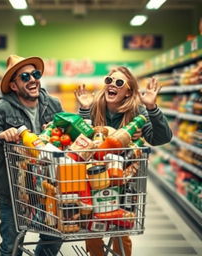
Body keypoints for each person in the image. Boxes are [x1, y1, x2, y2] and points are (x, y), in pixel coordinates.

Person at [74, 66, 172, 256]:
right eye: (109, 81)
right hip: (95, 179)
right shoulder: (94, 107)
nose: (112, 85)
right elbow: (79, 140)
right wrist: (85, 110)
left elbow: (161, 138)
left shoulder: (138, 112)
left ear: (128, 91)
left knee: (121, 229)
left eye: (119, 83)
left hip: (125, 181)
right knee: (91, 228)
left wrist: (152, 108)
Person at [0, 55, 64, 256]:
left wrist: (59, 133)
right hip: (14, 191)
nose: (32, 79)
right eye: (25, 77)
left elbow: (69, 140)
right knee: (11, 246)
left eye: (36, 74)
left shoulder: (53, 104)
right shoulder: (2, 108)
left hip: (48, 189)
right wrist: (0, 137)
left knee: (55, 237)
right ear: (14, 86)